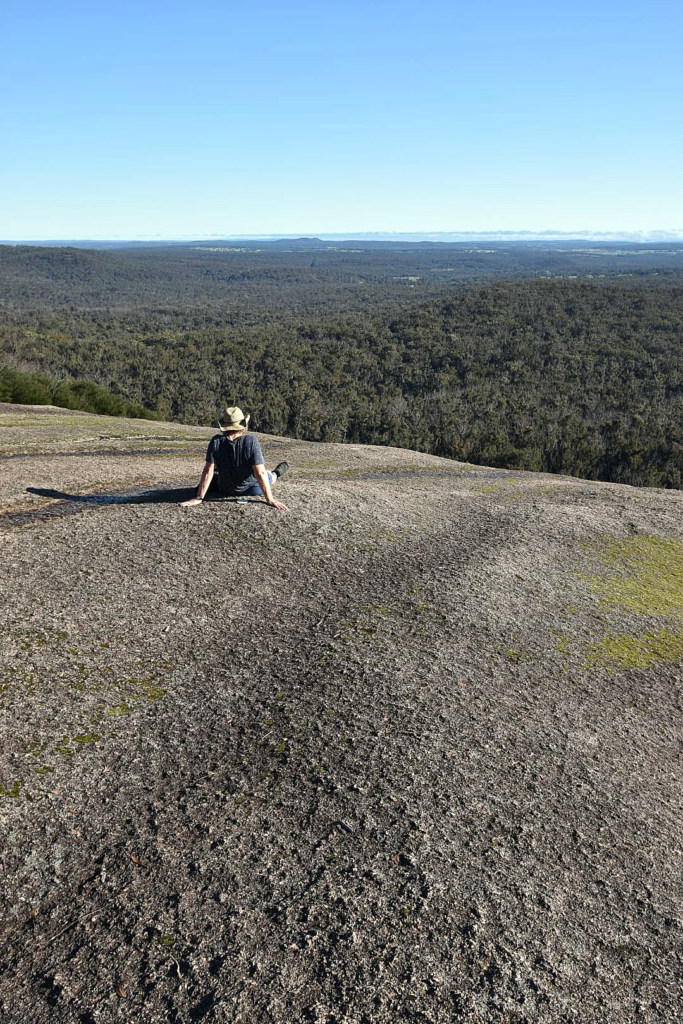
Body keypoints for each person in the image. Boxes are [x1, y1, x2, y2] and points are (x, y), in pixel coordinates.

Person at [180, 406, 288, 510]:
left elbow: (208, 472)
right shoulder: (251, 441)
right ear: (243, 425)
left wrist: (199, 497)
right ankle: (276, 473)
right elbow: (260, 474)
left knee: (217, 473)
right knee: (268, 475)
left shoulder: (216, 441)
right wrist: (270, 499)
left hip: (225, 489)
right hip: (253, 488)